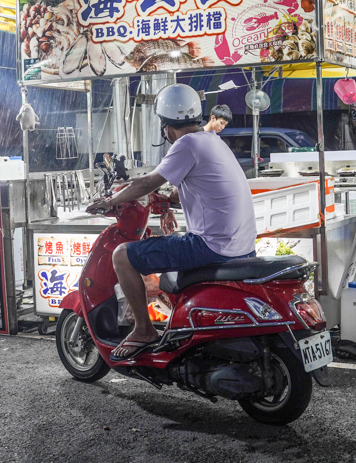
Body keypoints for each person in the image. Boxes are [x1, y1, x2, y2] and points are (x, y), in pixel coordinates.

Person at [86, 84, 256, 361]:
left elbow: (149, 181)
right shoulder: (212, 141)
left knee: (123, 256)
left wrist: (110, 201)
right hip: (243, 245)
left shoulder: (185, 144)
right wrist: (168, 202)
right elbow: (185, 189)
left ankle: (144, 330)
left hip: (211, 246)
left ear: (165, 126)